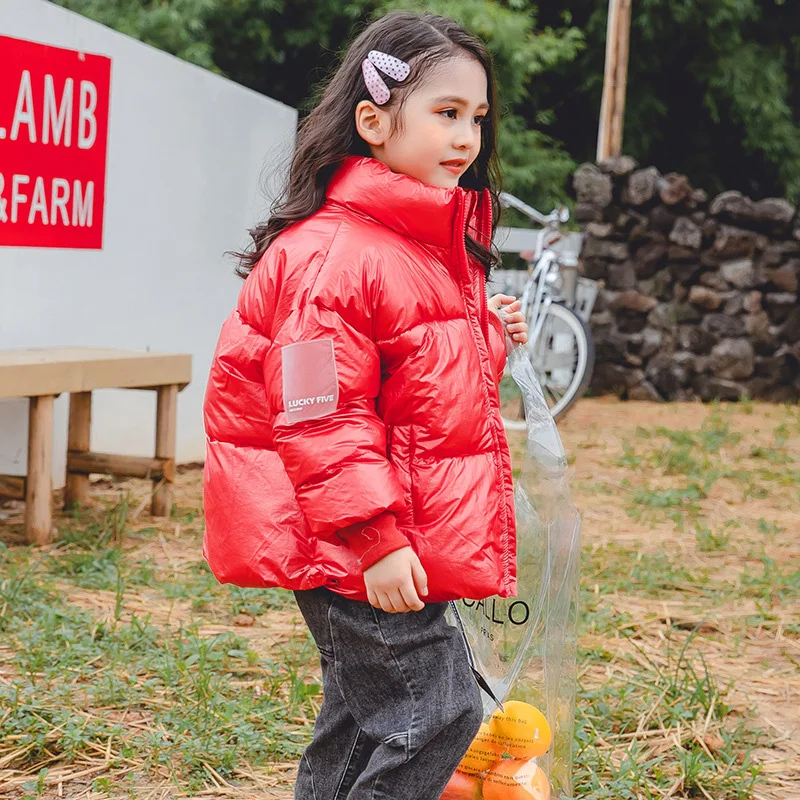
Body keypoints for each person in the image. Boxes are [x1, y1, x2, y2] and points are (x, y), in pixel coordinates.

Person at [202, 11, 529, 799]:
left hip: (376, 531)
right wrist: (375, 538)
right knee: (437, 712)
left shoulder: (414, 245)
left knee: (360, 713)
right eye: (445, 113)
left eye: (476, 118)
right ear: (374, 122)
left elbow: (413, 387)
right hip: (353, 538)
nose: (466, 137)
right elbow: (320, 411)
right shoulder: (338, 254)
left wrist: (488, 334)